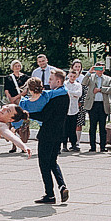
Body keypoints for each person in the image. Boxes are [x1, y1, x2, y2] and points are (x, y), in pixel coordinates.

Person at [18, 73, 73, 204]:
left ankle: (50, 194)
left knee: (44, 164)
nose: (49, 82)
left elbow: (44, 115)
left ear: (58, 81)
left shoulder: (56, 97)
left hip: (48, 133)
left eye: (51, 79)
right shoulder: (64, 95)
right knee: (53, 162)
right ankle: (62, 185)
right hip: (59, 133)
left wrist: (26, 115)